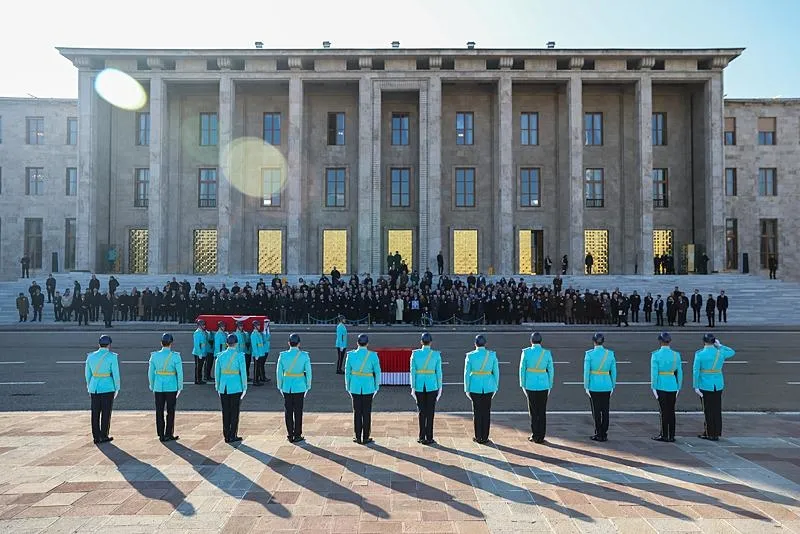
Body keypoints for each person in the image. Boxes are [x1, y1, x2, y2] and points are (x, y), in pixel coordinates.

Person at [693, 334, 735, 441]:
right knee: (716, 409)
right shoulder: (720, 352)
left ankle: (709, 432)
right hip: (718, 384)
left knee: (708, 410)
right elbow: (732, 352)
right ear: (714, 341)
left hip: (705, 385)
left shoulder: (700, 354)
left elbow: (696, 371)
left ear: (704, 341)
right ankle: (716, 432)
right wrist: (720, 345)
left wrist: (695, 386)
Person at [345, 333, 381, 444]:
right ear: (367, 343)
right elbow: (378, 372)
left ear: (357, 343)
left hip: (355, 386)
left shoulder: (351, 355)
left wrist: (348, 386)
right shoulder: (373, 356)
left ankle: (357, 436)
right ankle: (366, 436)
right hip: (368, 386)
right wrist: (376, 386)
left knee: (357, 412)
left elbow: (347, 373)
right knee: (366, 412)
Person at [519, 332, 554, 444]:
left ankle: (535, 435)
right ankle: (541, 436)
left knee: (533, 412)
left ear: (531, 341)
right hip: (544, 384)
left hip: (530, 384)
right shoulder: (547, 353)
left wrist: (522, 384)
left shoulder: (526, 352)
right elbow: (551, 370)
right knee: (542, 411)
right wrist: (550, 385)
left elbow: (522, 369)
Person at [84, 335, 120, 444]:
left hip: (94, 387)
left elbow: (87, 374)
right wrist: (117, 387)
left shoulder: (90, 356)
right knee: (106, 412)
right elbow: (115, 374)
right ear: (109, 345)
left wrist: (89, 386)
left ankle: (96, 436)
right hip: (107, 387)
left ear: (99, 344)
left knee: (95, 413)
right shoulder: (112, 357)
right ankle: (104, 435)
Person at [464, 334, 499, 444]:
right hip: (489, 386)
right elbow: (496, 373)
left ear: (475, 344)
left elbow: (466, 373)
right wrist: (495, 386)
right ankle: (485, 436)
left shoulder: (470, 356)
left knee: (477, 412)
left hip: (475, 386)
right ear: (485, 344)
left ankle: (478, 436)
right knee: (486, 412)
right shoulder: (492, 355)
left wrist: (467, 388)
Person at [276, 333, 312, 443]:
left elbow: (279, 372)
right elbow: (309, 372)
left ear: (288, 343)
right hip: (300, 386)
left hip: (287, 386)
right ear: (299, 344)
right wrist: (308, 386)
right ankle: (297, 434)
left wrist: (280, 386)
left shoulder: (283, 355)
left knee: (288, 411)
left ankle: (290, 434)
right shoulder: (304, 356)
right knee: (298, 411)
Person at [148, 333, 183, 442]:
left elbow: (150, 373)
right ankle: (168, 433)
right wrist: (180, 386)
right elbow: (179, 373)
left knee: (159, 410)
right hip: (171, 386)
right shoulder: (175, 356)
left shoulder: (154, 356)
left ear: (161, 343)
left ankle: (161, 434)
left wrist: (152, 385)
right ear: (171, 343)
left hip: (158, 386)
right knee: (170, 411)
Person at [410, 332, 443, 445]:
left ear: (421, 342)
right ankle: (429, 437)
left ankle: (421, 436)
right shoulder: (436, 355)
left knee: (421, 412)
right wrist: (440, 387)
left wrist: (413, 386)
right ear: (431, 342)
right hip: (432, 385)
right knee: (430, 412)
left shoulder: (415, 354)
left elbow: (412, 372)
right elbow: (438, 373)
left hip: (419, 385)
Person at [214, 334, 248, 443]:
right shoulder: (240, 356)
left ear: (226, 343)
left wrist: (218, 387)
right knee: (234, 412)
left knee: (225, 412)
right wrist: (245, 387)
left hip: (223, 387)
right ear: (236, 343)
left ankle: (226, 435)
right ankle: (233, 434)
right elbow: (243, 373)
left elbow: (217, 373)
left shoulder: (220, 356)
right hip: (236, 386)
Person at [583, 332, 616, 442]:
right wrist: (612, 385)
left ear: (594, 341)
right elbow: (614, 372)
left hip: (594, 385)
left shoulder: (589, 354)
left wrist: (586, 386)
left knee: (596, 411)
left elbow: (586, 372)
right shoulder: (610, 354)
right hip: (607, 384)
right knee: (605, 410)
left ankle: (598, 432)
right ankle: (604, 433)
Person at [650, 332, 682, 443]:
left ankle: (664, 434)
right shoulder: (676, 355)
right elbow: (679, 373)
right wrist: (678, 386)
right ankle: (671, 434)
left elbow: (654, 373)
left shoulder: (656, 355)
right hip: (673, 384)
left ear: (660, 341)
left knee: (663, 411)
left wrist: (653, 387)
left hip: (661, 384)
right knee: (671, 411)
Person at [251, 320, 271, 385]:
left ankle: (258, 380)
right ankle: (255, 381)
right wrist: (256, 354)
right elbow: (254, 345)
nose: (259, 327)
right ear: (255, 326)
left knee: (259, 367)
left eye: (259, 325)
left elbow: (264, 340)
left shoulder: (259, 334)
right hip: (257, 354)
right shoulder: (254, 334)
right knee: (256, 368)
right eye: (258, 325)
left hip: (261, 353)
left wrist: (266, 330)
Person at [192, 319, 208, 385]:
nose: (204, 326)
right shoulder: (197, 333)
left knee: (200, 367)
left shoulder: (203, 332)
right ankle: (197, 380)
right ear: (199, 326)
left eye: (204, 325)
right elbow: (196, 345)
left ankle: (199, 379)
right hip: (198, 353)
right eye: (203, 325)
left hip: (203, 352)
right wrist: (199, 353)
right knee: (198, 367)